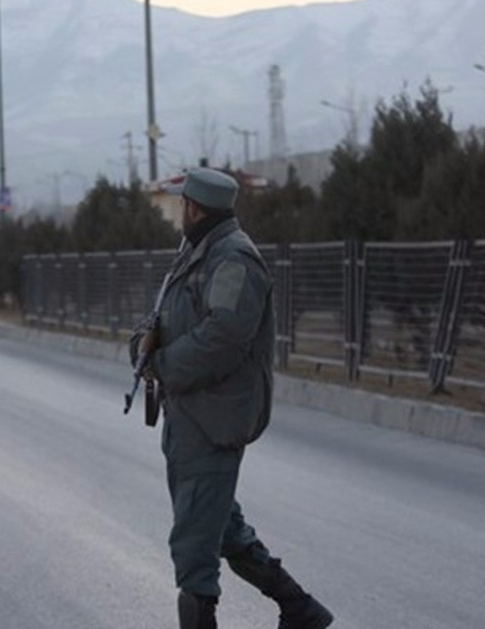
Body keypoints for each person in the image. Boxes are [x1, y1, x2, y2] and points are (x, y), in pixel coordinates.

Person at [130, 168, 334, 629]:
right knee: (220, 527)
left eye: (183, 204)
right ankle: (301, 609)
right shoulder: (196, 254)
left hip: (214, 418)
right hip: (188, 417)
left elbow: (222, 338)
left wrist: (162, 364)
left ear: (196, 209)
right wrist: (142, 345)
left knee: (194, 548)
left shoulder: (233, 259)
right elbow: (165, 317)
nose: (180, 212)